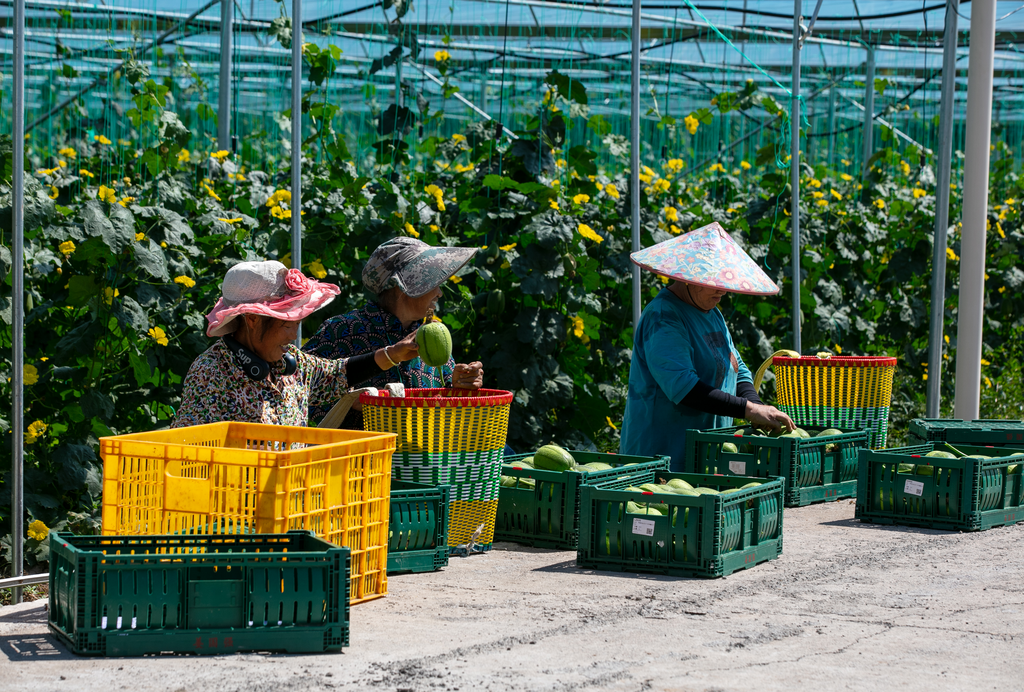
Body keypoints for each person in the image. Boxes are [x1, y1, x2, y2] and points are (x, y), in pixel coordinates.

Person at [619, 222, 795, 471]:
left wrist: (758, 408)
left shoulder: (712, 312)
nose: (723, 290)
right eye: (715, 281)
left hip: (706, 456)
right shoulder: (663, 317)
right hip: (663, 459)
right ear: (689, 278)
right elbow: (684, 388)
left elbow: (737, 367)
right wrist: (749, 410)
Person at [173, 260, 420, 428]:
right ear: (253, 320)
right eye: (287, 324)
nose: (293, 336)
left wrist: (394, 354)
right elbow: (190, 451)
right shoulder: (212, 372)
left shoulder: (290, 361)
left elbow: (335, 375)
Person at [303, 236, 485, 427]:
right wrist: (349, 402)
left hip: (421, 454)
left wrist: (459, 384)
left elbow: (445, 405)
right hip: (360, 454)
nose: (439, 292)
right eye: (432, 282)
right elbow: (297, 385)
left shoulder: (430, 332)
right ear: (404, 285)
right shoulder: (341, 330)